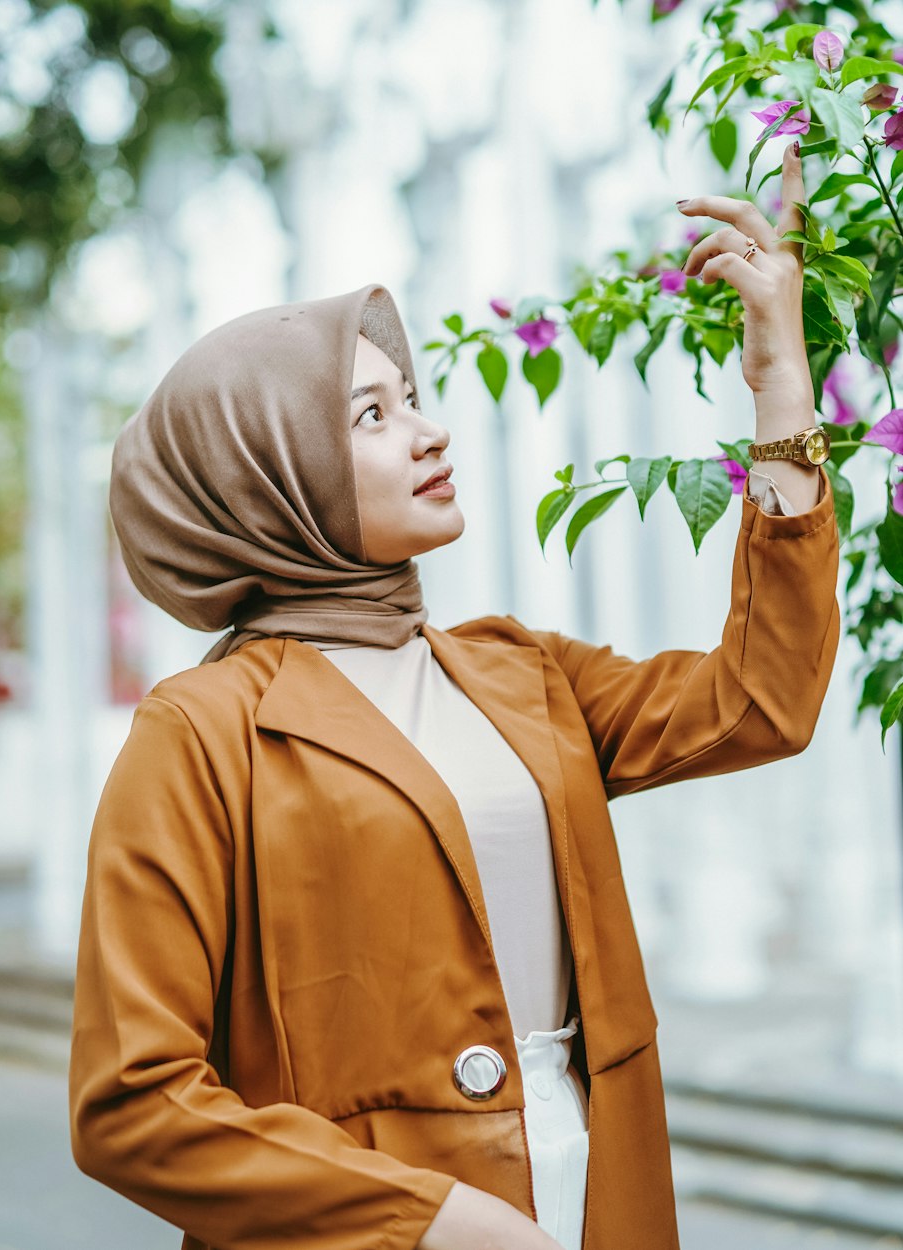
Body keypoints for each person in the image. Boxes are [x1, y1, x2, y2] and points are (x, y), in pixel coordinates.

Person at [68, 140, 840, 1250]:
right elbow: (131, 1103)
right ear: (270, 476)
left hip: (597, 1195)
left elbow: (764, 695)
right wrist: (426, 1218)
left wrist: (777, 381)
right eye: (369, 416)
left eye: (414, 399)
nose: (430, 431)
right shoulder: (200, 733)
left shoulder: (515, 669)